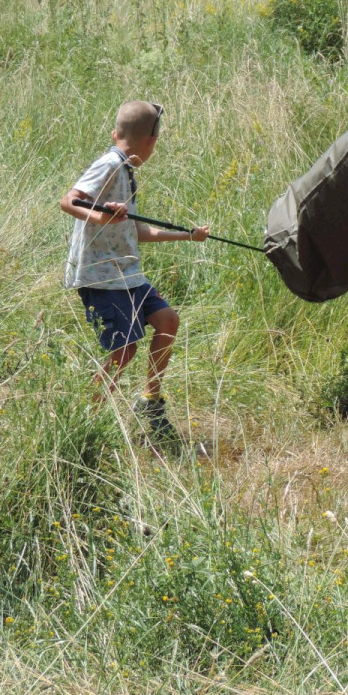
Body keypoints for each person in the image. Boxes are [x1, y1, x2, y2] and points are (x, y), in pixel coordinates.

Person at [60, 100, 208, 443]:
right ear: (152, 141)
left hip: (128, 274)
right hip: (102, 277)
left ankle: (150, 401)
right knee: (124, 351)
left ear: (116, 133)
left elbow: (135, 232)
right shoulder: (110, 164)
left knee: (167, 321)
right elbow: (68, 201)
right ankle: (83, 420)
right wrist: (101, 216)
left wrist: (187, 235)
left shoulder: (126, 170)